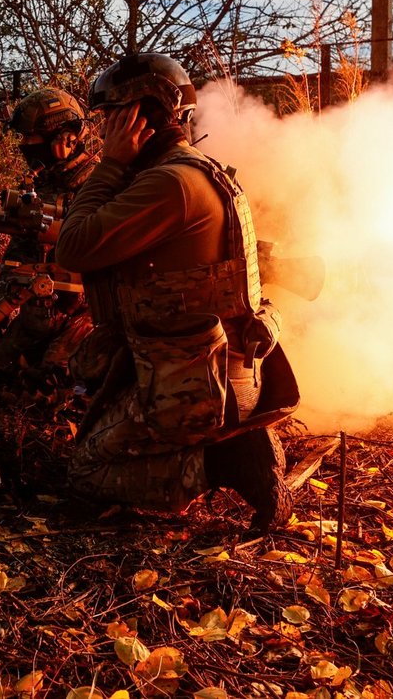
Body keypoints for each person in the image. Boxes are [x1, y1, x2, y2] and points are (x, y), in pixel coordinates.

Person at [54, 53, 299, 530]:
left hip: (196, 387)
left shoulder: (169, 184)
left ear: (137, 118)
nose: (104, 131)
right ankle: (226, 442)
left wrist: (109, 165)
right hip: (214, 373)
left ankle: (228, 462)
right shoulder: (194, 171)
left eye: (110, 119)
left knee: (86, 471)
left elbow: (74, 246)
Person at [0, 88, 98, 378]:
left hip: (84, 318)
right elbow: (19, 252)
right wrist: (1, 301)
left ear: (64, 140)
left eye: (30, 138)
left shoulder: (98, 187)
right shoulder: (43, 183)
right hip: (37, 314)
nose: (24, 145)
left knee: (52, 379)